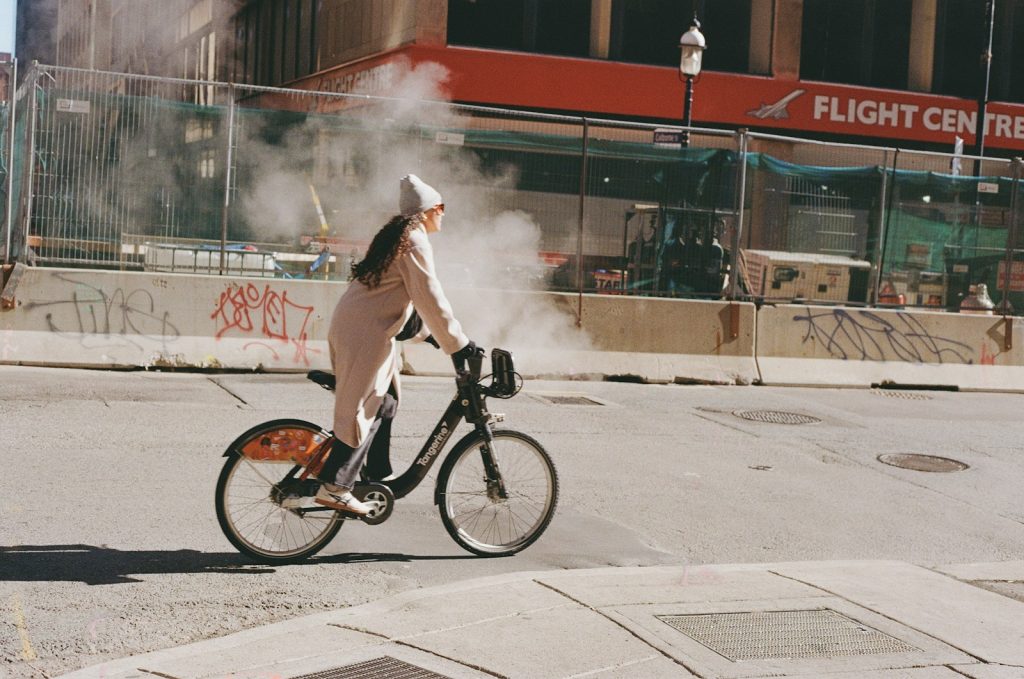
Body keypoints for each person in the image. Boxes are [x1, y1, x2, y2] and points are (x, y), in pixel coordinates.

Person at [316, 174, 477, 516]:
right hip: (364, 334)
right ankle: (336, 486)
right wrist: (458, 344)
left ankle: (376, 473)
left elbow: (397, 302)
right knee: (362, 408)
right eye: (441, 207)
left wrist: (432, 336)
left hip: (358, 326)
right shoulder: (414, 241)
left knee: (385, 402)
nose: (444, 214)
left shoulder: (402, 237)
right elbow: (430, 298)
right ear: (428, 210)